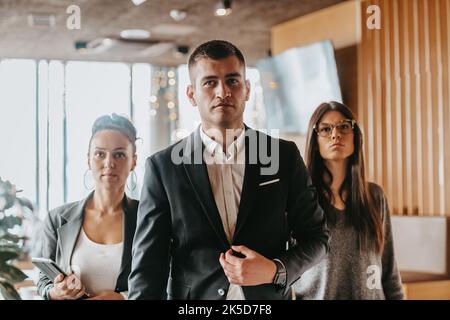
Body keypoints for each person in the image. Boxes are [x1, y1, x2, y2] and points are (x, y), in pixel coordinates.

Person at [128, 40, 329, 300]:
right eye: (210, 82)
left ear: (246, 89)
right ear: (191, 94)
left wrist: (275, 270)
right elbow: (148, 269)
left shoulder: (283, 156)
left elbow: (317, 237)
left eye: (232, 81)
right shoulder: (164, 168)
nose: (223, 91)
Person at [294, 101, 404, 299]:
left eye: (344, 126)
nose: (336, 134)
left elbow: (390, 274)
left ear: (355, 136)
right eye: (326, 129)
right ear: (315, 142)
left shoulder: (375, 196)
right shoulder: (302, 200)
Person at [37, 113, 139, 300]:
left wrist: (123, 298)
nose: (109, 163)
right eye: (100, 154)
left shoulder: (148, 218)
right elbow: (43, 282)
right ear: (88, 159)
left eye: (119, 154)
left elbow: (166, 280)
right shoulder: (57, 219)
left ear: (133, 161)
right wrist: (56, 292)